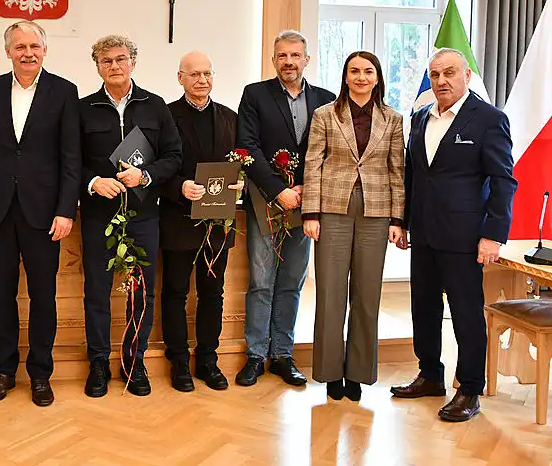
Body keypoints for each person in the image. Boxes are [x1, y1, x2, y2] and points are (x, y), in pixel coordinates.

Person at [390, 48, 517, 423]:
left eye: (449, 73)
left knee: (464, 313)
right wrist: (403, 221)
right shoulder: (418, 119)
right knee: (423, 308)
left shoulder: (489, 119)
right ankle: (430, 374)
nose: (441, 81)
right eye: (435, 75)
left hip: (465, 236)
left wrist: (493, 234)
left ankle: (470, 388)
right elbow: (412, 176)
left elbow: (503, 180)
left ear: (466, 76)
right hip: (424, 233)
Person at [0, 21, 80, 407]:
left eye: (34, 45)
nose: (27, 52)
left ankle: (40, 373)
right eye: (19, 46)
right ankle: (4, 371)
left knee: (43, 296)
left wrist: (66, 210)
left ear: (45, 51)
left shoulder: (64, 92)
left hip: (44, 214)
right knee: (1, 295)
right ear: (8, 51)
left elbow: (71, 158)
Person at [79, 35, 182, 398]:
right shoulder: (83, 108)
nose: (115, 66)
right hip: (97, 217)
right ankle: (98, 364)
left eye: (121, 59)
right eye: (106, 61)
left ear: (133, 63)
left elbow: (174, 156)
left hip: (142, 216)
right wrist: (92, 182)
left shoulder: (154, 106)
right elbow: (69, 163)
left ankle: (133, 362)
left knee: (141, 293)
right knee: (96, 292)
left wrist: (146, 175)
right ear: (97, 66)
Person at [301, 51, 405, 402]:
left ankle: (358, 373)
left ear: (377, 78)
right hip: (331, 209)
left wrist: (397, 219)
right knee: (330, 293)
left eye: (368, 71)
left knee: (367, 293)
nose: (361, 77)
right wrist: (310, 214)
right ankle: (330, 373)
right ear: (345, 77)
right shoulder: (325, 115)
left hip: (376, 212)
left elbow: (397, 171)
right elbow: (313, 165)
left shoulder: (392, 119)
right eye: (354, 71)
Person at [234, 29, 335, 388]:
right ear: (274, 60)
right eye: (282, 56)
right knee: (261, 282)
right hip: (266, 200)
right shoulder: (255, 95)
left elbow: (332, 153)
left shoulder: (327, 100)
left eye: (295, 55)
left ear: (307, 59)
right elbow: (247, 147)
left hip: (307, 204)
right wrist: (278, 191)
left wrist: (308, 190)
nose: (289, 62)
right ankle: (255, 355)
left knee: (292, 281)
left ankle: (283, 354)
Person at [159, 51, 241, 392]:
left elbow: (242, 162)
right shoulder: (164, 116)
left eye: (207, 73)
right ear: (180, 78)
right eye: (194, 74)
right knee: (176, 291)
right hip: (178, 218)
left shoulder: (230, 118)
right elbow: (152, 166)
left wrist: (241, 184)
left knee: (213, 292)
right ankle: (178, 360)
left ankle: (208, 358)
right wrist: (179, 186)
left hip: (218, 222)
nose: (202, 79)